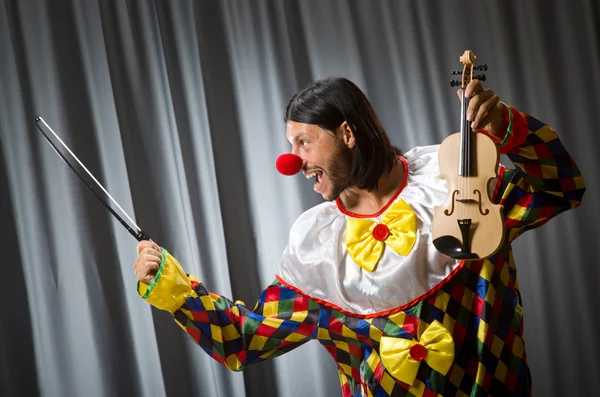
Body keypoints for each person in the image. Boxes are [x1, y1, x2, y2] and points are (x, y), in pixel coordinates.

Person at [133, 77, 585, 396]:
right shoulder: (317, 248)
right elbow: (245, 339)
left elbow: (561, 187)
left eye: (304, 143)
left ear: (347, 134)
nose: (293, 162)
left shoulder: (456, 181)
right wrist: (174, 290)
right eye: (291, 146)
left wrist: (511, 129)